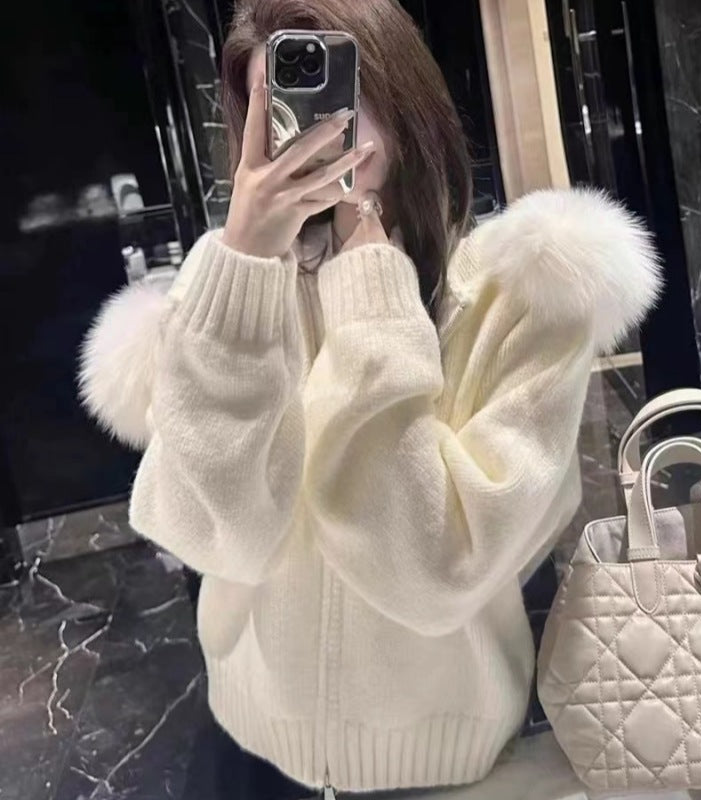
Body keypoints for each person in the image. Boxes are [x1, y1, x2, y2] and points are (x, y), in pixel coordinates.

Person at [76, 0, 662, 795]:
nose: (324, 125)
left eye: (343, 88)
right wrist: (243, 268)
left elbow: (436, 569)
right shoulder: (230, 296)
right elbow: (219, 539)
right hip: (249, 746)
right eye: (285, 104)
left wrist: (369, 285)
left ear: (404, 95)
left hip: (449, 766)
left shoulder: (524, 296)